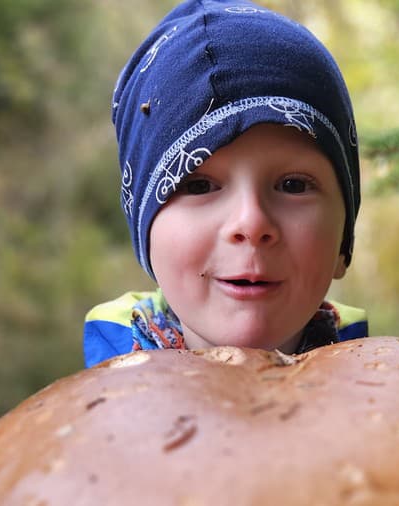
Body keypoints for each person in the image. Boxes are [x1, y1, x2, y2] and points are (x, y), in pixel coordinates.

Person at [83, 0, 367, 368]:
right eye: (199, 186)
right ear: (146, 234)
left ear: (343, 241)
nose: (251, 223)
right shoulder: (99, 410)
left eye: (294, 185)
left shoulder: (393, 385)